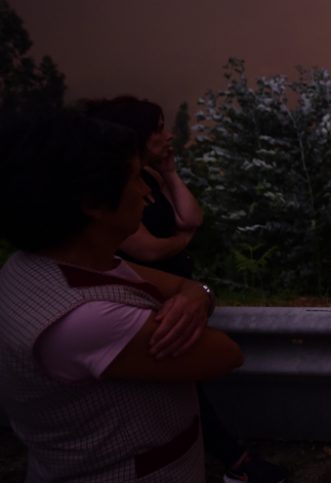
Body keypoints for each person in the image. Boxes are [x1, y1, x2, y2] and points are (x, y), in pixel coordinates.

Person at [0, 109, 243, 482]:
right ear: (94, 203)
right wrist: (196, 295)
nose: (146, 192)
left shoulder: (31, 267)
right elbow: (225, 353)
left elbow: (183, 288)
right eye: (134, 178)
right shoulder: (85, 321)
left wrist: (197, 293)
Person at [83, 96, 288, 483]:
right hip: (145, 296)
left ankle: (230, 459)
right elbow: (145, 247)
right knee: (183, 381)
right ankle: (236, 461)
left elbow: (192, 217)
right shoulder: (115, 191)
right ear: (137, 136)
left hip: (177, 291)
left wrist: (170, 172)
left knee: (185, 387)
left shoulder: (152, 179)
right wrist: (181, 242)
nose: (168, 135)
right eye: (158, 129)